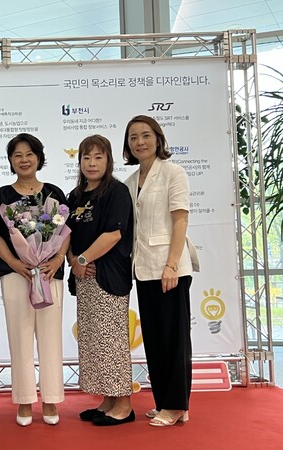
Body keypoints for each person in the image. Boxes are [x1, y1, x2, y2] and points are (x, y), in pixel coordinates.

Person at [0, 133, 69, 426]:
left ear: (39, 157)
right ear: (10, 160)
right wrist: (14, 262)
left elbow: (66, 232)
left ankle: (50, 399)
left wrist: (58, 259)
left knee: (50, 337)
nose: (24, 160)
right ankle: (24, 400)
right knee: (19, 335)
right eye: (17, 155)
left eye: (29, 154)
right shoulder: (2, 196)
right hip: (15, 273)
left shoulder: (54, 193)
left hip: (48, 272)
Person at [123, 115, 196, 427]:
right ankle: (165, 402)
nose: (140, 142)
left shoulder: (173, 172)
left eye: (145, 135)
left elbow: (180, 220)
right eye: (133, 137)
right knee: (154, 340)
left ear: (158, 138)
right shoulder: (129, 182)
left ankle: (177, 404)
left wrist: (171, 265)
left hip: (170, 268)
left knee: (174, 338)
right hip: (143, 269)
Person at [65, 135, 135, 426]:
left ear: (109, 160)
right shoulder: (75, 196)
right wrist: (73, 260)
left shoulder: (117, 192)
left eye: (98, 157)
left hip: (108, 276)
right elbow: (65, 235)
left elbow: (114, 233)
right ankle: (108, 400)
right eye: (86, 157)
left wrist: (81, 261)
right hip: (84, 278)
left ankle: (124, 405)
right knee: (94, 340)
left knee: (112, 341)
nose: (91, 163)